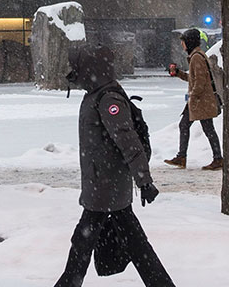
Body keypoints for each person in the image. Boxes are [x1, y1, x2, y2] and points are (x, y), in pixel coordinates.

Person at [55, 44, 173, 287]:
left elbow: (128, 141)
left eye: (78, 67)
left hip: (106, 188)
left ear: (90, 68)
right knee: (133, 244)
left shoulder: (108, 98)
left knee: (84, 242)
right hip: (103, 187)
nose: (74, 70)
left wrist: (144, 180)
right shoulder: (96, 94)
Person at [163, 29, 223, 170]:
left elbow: (200, 81)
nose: (182, 45)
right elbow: (193, 78)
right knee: (201, 128)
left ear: (189, 42)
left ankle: (214, 158)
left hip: (200, 101)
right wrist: (179, 73)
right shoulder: (196, 56)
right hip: (200, 100)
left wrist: (193, 96)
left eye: (183, 42)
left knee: (199, 128)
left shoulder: (196, 57)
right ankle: (184, 157)